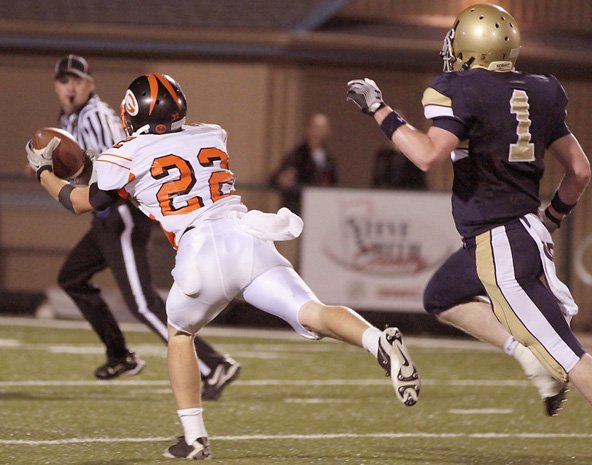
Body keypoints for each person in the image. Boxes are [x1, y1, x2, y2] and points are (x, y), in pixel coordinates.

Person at [27, 72, 420, 460]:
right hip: (247, 238)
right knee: (311, 312)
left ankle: (195, 438)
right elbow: (157, 159)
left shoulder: (126, 152)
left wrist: (45, 171)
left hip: (201, 251)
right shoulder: (210, 133)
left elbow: (82, 201)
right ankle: (376, 340)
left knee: (180, 334)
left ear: (135, 113)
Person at [347, 3, 592, 416]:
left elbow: (428, 155)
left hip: (498, 242)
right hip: (520, 233)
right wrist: (550, 219)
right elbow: (579, 172)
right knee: (442, 295)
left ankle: (537, 358)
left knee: (571, 359)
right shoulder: (540, 90)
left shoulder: (460, 89)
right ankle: (526, 354)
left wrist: (380, 111)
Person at [42, 55, 240, 400]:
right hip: (105, 217)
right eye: (63, 81)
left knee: (142, 303)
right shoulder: (70, 118)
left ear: (90, 83)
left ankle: (213, 364)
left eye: (76, 79)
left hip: (120, 214)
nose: (69, 87)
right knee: (71, 278)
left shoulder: (98, 117)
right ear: (56, 85)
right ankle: (120, 355)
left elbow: (114, 175)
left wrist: (47, 171)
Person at [270, 113, 337, 215]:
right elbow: (277, 179)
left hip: (320, 208)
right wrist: (282, 179)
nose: (319, 131)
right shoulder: (296, 155)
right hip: (298, 208)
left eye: (323, 127)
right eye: (316, 127)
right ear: (307, 129)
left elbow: (334, 182)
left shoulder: (329, 158)